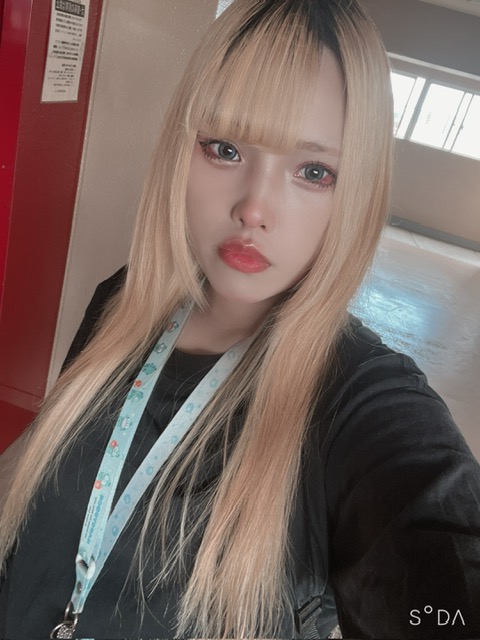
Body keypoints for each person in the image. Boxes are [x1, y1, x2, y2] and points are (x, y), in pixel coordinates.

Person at [1, 0, 480, 638]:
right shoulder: (120, 302)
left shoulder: (359, 403)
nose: (254, 208)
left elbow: (443, 578)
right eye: (224, 148)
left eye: (313, 172)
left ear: (357, 191)